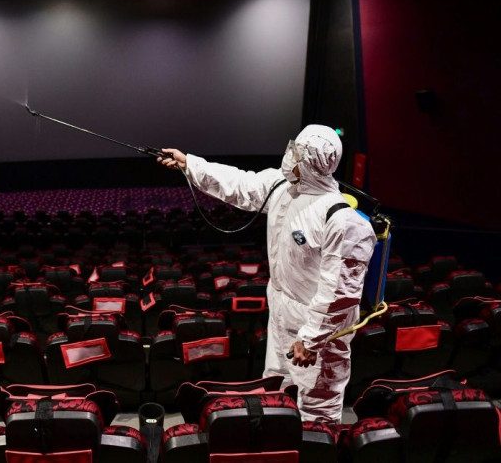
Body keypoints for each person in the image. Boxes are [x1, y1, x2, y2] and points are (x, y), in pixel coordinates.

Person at [158, 124, 376, 423]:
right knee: (276, 392)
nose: (289, 155)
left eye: (296, 152)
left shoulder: (343, 221)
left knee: (316, 410)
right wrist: (190, 163)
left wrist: (312, 340)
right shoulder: (282, 188)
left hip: (318, 332)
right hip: (282, 310)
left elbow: (339, 292)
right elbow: (239, 183)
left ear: (311, 161)